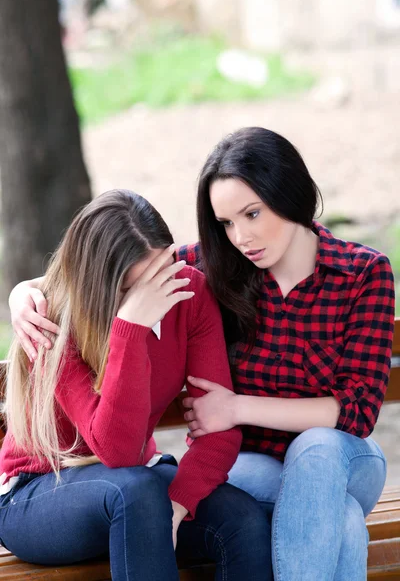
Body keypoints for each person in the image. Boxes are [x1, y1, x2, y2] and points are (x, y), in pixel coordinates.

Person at [9, 128, 395, 580]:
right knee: (340, 518)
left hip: (337, 457)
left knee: (298, 467)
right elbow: (89, 279)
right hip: (67, 484)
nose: (242, 236)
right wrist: (27, 293)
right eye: (227, 223)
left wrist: (233, 410)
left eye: (252, 214)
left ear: (290, 194)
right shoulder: (206, 269)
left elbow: (358, 411)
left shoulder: (357, 273)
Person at [0, 189, 272, 581]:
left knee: (242, 519)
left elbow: (218, 432)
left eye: (164, 270)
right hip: (37, 493)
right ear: (103, 285)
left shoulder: (188, 293)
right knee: (135, 491)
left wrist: (177, 508)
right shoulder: (52, 319)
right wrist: (132, 329)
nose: (161, 291)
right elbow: (119, 452)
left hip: (135, 486)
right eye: (140, 287)